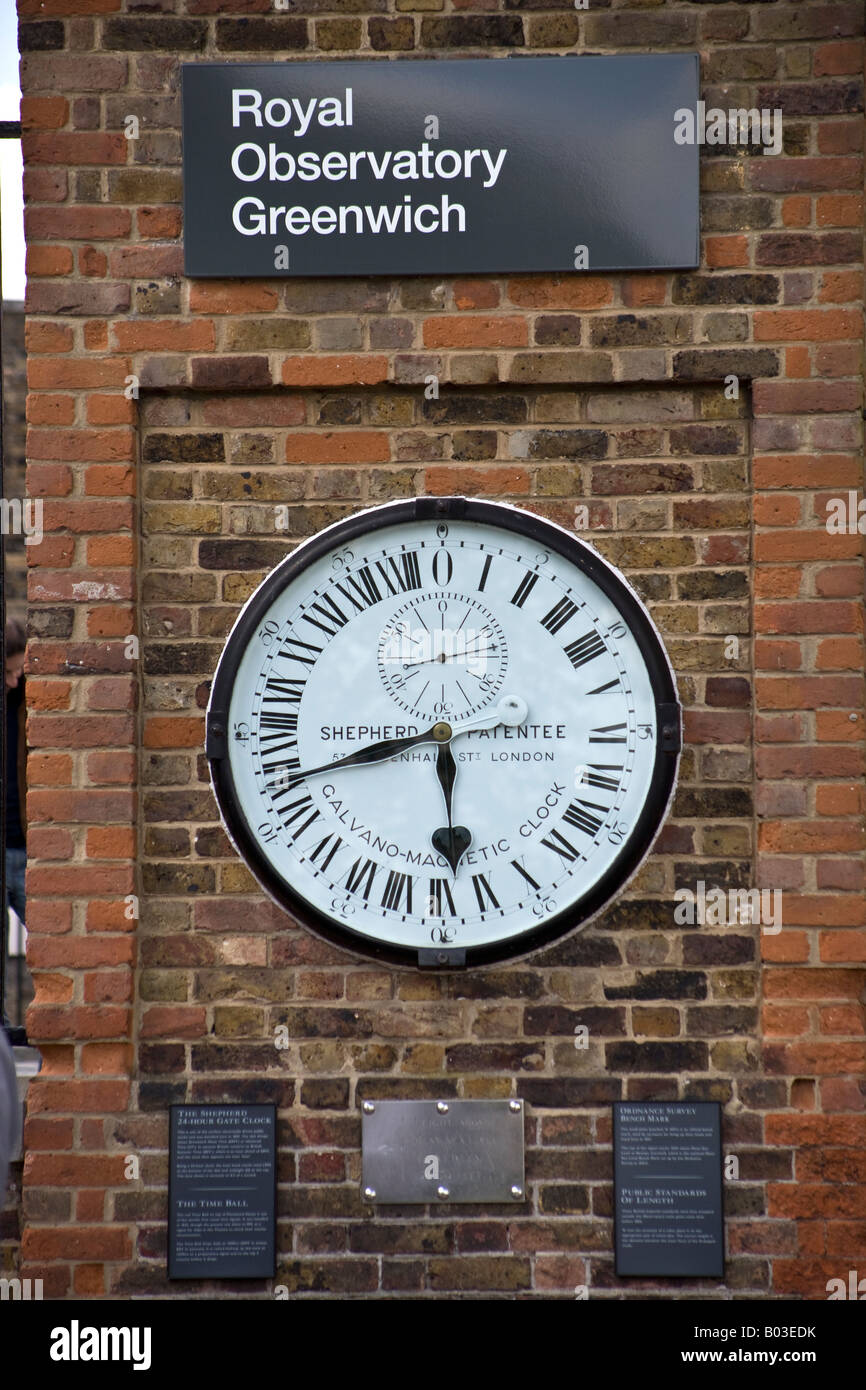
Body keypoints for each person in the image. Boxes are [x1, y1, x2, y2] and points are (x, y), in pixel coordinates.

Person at [4, 619, 27, 1042]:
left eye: (19, 671)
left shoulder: (32, 702)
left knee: (46, 941)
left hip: (25, 847)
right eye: (6, 672)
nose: (14, 679)